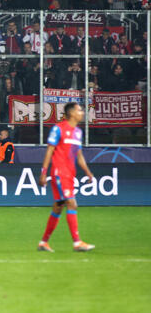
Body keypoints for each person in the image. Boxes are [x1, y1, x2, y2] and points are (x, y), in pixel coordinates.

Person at [37, 103, 96, 253]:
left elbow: (79, 156)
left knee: (58, 207)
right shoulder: (58, 129)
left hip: (69, 174)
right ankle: (77, 243)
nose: (82, 112)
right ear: (71, 113)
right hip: (59, 173)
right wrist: (43, 172)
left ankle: (43, 242)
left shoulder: (78, 132)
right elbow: (49, 150)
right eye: (79, 110)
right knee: (72, 203)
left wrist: (88, 173)